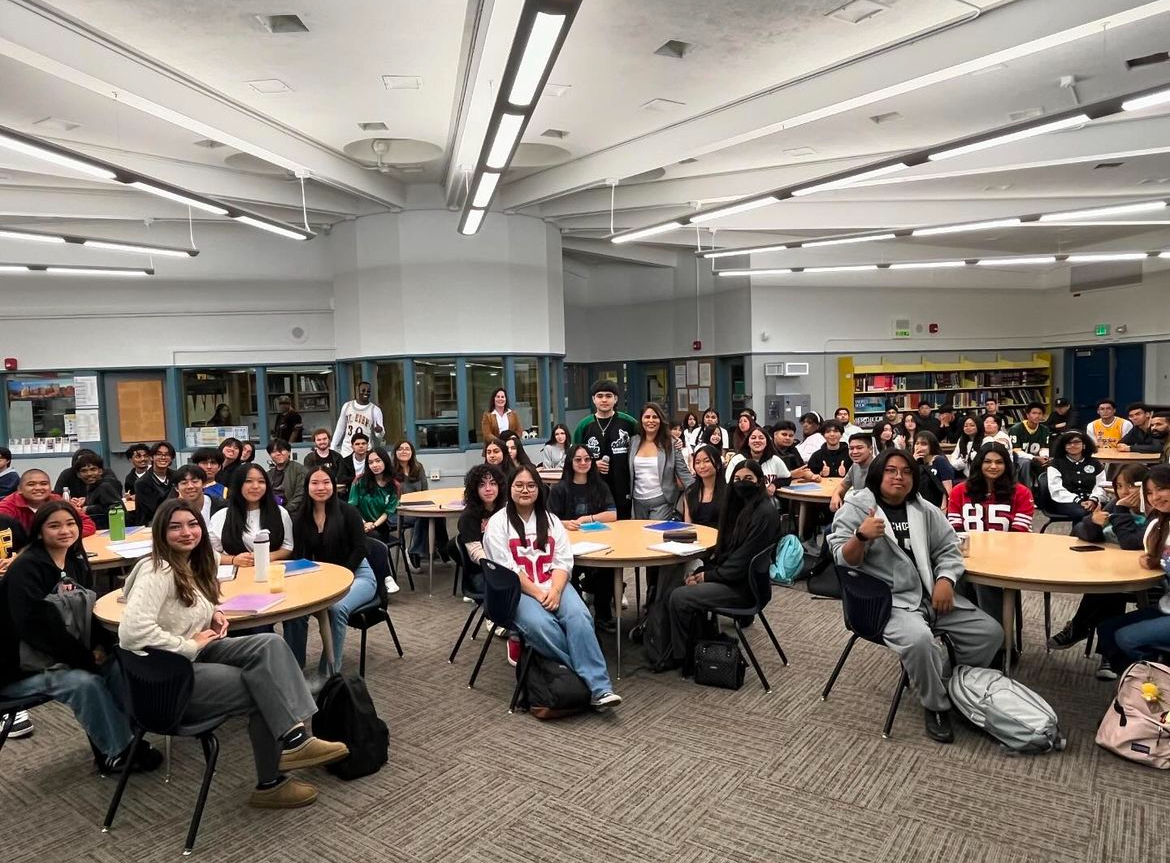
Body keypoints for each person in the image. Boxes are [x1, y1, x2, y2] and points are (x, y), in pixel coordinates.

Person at [119, 498, 347, 807]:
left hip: (189, 657)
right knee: (261, 685)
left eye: (192, 524)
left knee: (269, 645)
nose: (186, 532)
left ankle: (294, 738)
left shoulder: (189, 563)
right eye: (175, 527)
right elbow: (132, 632)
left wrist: (212, 612)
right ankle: (271, 783)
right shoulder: (157, 571)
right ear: (161, 532)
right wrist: (189, 644)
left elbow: (187, 604)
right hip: (165, 678)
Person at [829, 448, 1003, 743]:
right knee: (921, 642)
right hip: (888, 602)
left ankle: (950, 682)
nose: (899, 477)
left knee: (990, 633)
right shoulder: (857, 508)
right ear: (878, 474)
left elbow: (949, 548)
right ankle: (935, 704)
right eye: (891, 470)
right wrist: (860, 536)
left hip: (930, 595)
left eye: (907, 472)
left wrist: (946, 579)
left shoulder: (924, 509)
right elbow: (843, 560)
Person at [0, 501, 162, 775]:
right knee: (85, 683)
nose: (64, 531)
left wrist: (101, 647)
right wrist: (84, 658)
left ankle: (130, 739)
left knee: (118, 665)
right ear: (39, 532)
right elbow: (36, 629)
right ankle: (117, 753)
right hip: (20, 668)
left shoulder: (74, 561)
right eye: (54, 525)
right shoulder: (26, 569)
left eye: (70, 523)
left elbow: (90, 611)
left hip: (63, 656)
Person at [482, 465, 622, 709]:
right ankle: (588, 678)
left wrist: (555, 591)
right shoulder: (498, 523)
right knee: (541, 625)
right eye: (519, 485)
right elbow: (508, 570)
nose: (525, 490)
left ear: (539, 489)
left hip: (553, 584)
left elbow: (562, 562)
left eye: (531, 486)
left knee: (580, 617)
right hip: (518, 591)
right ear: (510, 488)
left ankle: (601, 690)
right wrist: (539, 594)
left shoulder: (551, 520)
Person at [664, 459, 780, 671]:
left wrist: (709, 576)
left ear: (760, 481)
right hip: (736, 578)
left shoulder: (764, 513)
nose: (741, 483)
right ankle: (691, 644)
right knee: (678, 583)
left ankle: (684, 657)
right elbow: (730, 553)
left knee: (679, 596)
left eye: (748, 479)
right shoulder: (744, 508)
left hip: (745, 588)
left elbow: (741, 563)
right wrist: (706, 571)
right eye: (737, 479)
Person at [1051, 463, 1150, 671]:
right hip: (1114, 568)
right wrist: (1092, 523)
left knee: (1110, 589)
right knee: (1108, 586)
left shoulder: (1154, 512)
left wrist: (1122, 510)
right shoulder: (1115, 504)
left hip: (1149, 577)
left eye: (1132, 486)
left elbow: (1131, 543)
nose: (1125, 491)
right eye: (1120, 486)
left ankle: (1079, 628)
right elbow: (1078, 533)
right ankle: (1106, 653)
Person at [284, 470, 379, 677]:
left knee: (335, 608)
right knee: (294, 609)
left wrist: (339, 576)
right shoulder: (301, 518)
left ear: (333, 485)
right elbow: (299, 554)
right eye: (315, 483)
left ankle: (328, 673)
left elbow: (360, 548)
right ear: (307, 487)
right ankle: (294, 669)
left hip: (358, 575)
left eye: (326, 482)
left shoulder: (349, 512)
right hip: (321, 577)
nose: (321, 488)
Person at [946, 443, 1035, 632]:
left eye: (999, 462)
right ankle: (963, 635)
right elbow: (955, 529)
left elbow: (1019, 535)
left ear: (1007, 465)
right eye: (987, 461)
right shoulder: (959, 491)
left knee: (983, 582)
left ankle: (995, 639)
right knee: (950, 577)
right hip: (966, 556)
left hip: (1005, 559)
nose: (993, 466)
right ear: (979, 464)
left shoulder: (1021, 492)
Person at [1095, 465, 1170, 678]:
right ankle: (1135, 686)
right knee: (1107, 629)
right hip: (1166, 605)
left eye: (1161, 489)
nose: (1155, 497)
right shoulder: (1159, 523)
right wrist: (1154, 560)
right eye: (1149, 492)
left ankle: (1156, 686)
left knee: (1127, 638)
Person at [547, 445, 618, 632]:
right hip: (569, 547)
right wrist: (565, 523)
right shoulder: (559, 489)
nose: (583, 463)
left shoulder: (600, 486)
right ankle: (580, 615)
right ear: (570, 462)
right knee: (570, 575)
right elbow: (548, 520)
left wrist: (589, 518)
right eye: (578, 459)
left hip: (598, 544)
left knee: (607, 571)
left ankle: (603, 616)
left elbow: (612, 514)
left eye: (587, 459)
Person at [573, 380, 638, 519]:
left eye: (608, 396)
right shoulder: (584, 425)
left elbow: (650, 439)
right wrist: (591, 465)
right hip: (593, 487)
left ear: (616, 399)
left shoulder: (629, 423)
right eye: (600, 396)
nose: (604, 400)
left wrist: (675, 443)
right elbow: (572, 458)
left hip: (623, 487)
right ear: (593, 399)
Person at [209, 465, 294, 567]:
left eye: (261, 481)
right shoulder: (221, 516)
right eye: (248, 481)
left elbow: (287, 546)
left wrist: (267, 556)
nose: (255, 486)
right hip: (237, 576)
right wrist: (233, 560)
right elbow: (210, 552)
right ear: (238, 484)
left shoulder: (280, 513)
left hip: (271, 573)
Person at [628, 402, 693, 520]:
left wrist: (699, 491)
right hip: (637, 503)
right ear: (641, 420)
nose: (651, 420)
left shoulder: (671, 444)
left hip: (662, 502)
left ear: (661, 420)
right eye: (647, 417)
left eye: (655, 417)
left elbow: (683, 473)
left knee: (655, 536)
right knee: (639, 537)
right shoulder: (633, 442)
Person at [393, 439, 447, 568]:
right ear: (395, 453)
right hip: (399, 509)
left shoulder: (418, 468)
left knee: (438, 515)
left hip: (420, 505)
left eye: (407, 448)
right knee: (423, 517)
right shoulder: (390, 471)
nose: (404, 451)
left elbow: (425, 491)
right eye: (400, 449)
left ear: (412, 452)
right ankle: (414, 552)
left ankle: (441, 548)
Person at [0, 469, 96, 537]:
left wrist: (60, 537)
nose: (38, 488)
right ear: (19, 489)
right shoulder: (7, 506)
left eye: (44, 484)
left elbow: (87, 524)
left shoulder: (57, 501)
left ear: (50, 488)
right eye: (31, 484)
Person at [457, 464, 506, 595]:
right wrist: (499, 567)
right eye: (482, 485)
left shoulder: (506, 509)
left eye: (493, 483)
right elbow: (475, 553)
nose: (488, 489)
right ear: (475, 489)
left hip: (507, 563)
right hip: (481, 570)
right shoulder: (468, 516)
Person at [1045, 431, 1107, 523]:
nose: (1073, 445)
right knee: (1084, 513)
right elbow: (1056, 489)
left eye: (1077, 442)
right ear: (1063, 446)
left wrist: (1093, 499)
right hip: (1065, 501)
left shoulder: (1095, 463)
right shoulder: (1055, 464)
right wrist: (1078, 501)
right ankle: (1079, 535)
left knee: (1112, 509)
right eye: (1068, 443)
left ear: (1084, 444)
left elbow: (1101, 485)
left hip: (1092, 500)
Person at [348, 446, 399, 550]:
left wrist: (373, 525)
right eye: (370, 462)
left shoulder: (393, 485)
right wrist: (364, 524)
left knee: (375, 538)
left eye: (378, 461)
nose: (374, 465)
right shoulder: (360, 480)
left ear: (385, 461)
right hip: (359, 524)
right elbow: (352, 507)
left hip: (379, 525)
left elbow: (387, 512)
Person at [725, 423, 790, 494]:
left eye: (761, 438)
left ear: (767, 442)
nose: (757, 441)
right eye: (753, 438)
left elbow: (787, 478)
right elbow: (728, 483)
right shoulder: (737, 459)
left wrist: (774, 485)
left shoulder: (775, 460)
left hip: (767, 502)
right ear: (748, 442)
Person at [331, 381, 384, 457]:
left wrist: (379, 431)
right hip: (347, 449)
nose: (366, 393)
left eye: (368, 391)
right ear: (357, 390)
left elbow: (380, 435)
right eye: (363, 390)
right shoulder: (347, 406)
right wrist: (333, 446)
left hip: (365, 450)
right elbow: (340, 428)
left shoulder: (375, 410)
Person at [75, 452, 124, 530]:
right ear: (78, 475)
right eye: (84, 471)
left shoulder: (104, 486)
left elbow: (116, 508)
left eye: (93, 469)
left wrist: (87, 509)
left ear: (101, 471)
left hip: (113, 530)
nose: (89, 474)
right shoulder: (91, 487)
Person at [682, 444, 727, 528]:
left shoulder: (728, 491)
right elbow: (688, 525)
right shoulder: (690, 492)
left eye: (707, 461)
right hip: (696, 538)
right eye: (697, 462)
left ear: (717, 464)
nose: (701, 466)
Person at [1007, 402, 1052, 486]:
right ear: (1027, 415)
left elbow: (1044, 448)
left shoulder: (1045, 429)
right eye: (1034, 413)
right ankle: (1027, 490)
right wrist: (1034, 457)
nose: (1037, 416)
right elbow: (1016, 452)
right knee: (1026, 462)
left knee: (1050, 462)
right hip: (1020, 459)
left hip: (1037, 457)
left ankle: (1044, 490)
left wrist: (1045, 457)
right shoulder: (1016, 429)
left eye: (1040, 413)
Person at [134, 441, 178, 525]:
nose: (163, 457)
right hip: (153, 523)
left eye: (167, 454)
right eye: (158, 454)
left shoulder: (177, 477)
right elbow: (154, 510)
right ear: (151, 457)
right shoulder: (142, 483)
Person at [829, 433, 874, 512]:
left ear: (870, 449)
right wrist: (835, 495)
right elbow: (843, 485)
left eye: (859, 448)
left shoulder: (879, 467)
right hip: (856, 509)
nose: (854, 452)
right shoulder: (855, 466)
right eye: (851, 448)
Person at [913, 431, 955, 507]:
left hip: (938, 505)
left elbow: (947, 490)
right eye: (917, 443)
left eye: (924, 444)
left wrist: (943, 508)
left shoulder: (940, 461)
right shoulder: (915, 463)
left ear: (932, 445)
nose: (919, 447)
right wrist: (912, 462)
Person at [266, 438, 306, 517]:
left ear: (289, 452)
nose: (278, 453)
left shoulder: (300, 470)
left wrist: (284, 511)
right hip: (271, 511)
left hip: (293, 513)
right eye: (274, 451)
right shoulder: (268, 474)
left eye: (282, 450)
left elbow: (300, 496)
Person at [333, 431, 369, 499]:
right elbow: (341, 478)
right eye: (357, 444)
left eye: (363, 443)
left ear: (367, 445)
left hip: (369, 493)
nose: (361, 446)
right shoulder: (345, 461)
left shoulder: (373, 459)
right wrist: (357, 478)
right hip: (350, 493)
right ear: (352, 446)